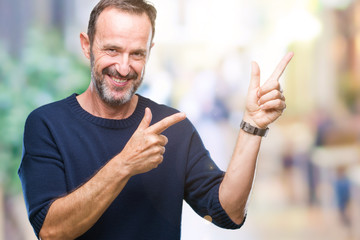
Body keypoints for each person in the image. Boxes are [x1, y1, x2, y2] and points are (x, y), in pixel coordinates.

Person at [18, 0, 293, 239]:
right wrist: (124, 164)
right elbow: (51, 231)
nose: (124, 67)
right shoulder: (47, 125)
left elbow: (229, 212)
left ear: (149, 51)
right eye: (112, 50)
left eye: (137, 53)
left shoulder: (172, 127)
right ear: (87, 46)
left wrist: (253, 126)